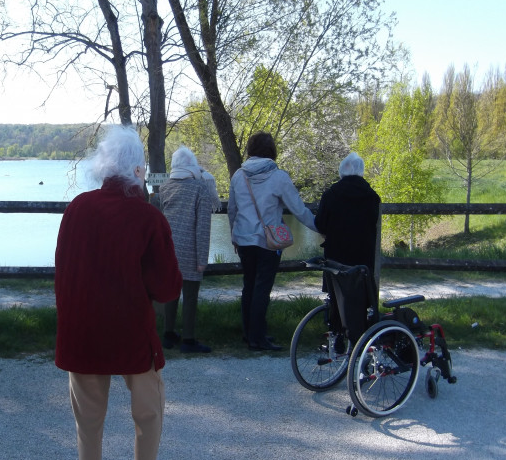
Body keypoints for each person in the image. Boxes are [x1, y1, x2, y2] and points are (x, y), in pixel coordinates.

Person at [54, 124, 182, 460]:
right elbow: (167, 287)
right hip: (131, 335)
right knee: (149, 411)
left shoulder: (77, 209)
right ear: (138, 172)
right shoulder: (147, 218)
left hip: (82, 334)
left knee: (88, 424)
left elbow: (63, 269)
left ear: (104, 168)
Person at [228, 131, 318, 351]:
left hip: (244, 240)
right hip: (269, 242)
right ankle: (258, 339)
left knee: (249, 286)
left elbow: (232, 209)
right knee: (262, 288)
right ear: (271, 151)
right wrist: (320, 228)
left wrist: (234, 235)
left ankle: (249, 333)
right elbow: (299, 209)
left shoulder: (239, 176)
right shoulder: (279, 177)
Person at [315, 152, 381, 338]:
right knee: (359, 298)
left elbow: (320, 224)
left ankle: (337, 334)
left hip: (336, 256)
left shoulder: (330, 195)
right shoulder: (372, 197)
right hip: (362, 256)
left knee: (336, 297)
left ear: (341, 171)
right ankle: (359, 336)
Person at [156, 146, 214, 353]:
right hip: (190, 248)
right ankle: (188, 339)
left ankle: (168, 334)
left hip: (169, 249)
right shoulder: (200, 188)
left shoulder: (164, 187)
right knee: (190, 295)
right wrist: (202, 259)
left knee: (171, 292)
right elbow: (203, 227)